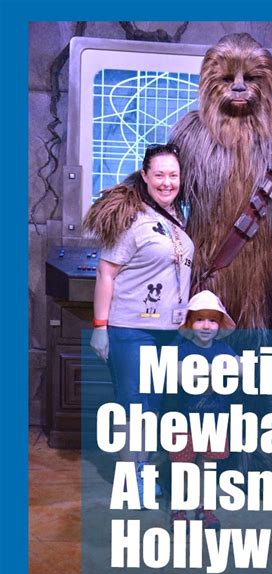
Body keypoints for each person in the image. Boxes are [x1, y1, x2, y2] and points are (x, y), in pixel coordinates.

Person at [84, 143, 194, 504]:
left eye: (173, 175)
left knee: (155, 407)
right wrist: (100, 326)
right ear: (145, 176)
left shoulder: (176, 218)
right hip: (132, 328)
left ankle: (142, 472)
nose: (167, 182)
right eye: (159, 174)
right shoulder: (133, 217)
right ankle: (134, 483)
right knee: (136, 408)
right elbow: (106, 272)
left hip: (168, 331)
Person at [169, 290, 238, 531]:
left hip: (215, 422)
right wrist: (215, 372)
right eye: (199, 319)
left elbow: (238, 371)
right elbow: (181, 377)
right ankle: (178, 508)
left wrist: (203, 372)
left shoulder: (224, 349)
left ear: (220, 324)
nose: (206, 326)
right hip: (184, 423)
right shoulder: (182, 349)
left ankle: (204, 507)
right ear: (189, 323)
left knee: (208, 467)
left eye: (212, 320)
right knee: (182, 467)